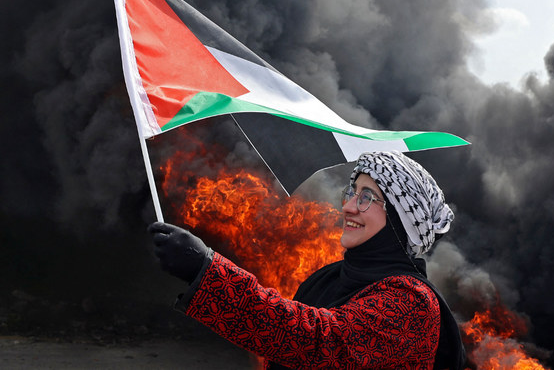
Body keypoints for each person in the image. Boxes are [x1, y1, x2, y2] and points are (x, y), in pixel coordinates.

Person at [149, 151, 466, 369]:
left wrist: (207, 272)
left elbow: (316, 343)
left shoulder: (413, 303)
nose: (349, 207)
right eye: (352, 192)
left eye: (367, 197)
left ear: (401, 220)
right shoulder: (331, 278)